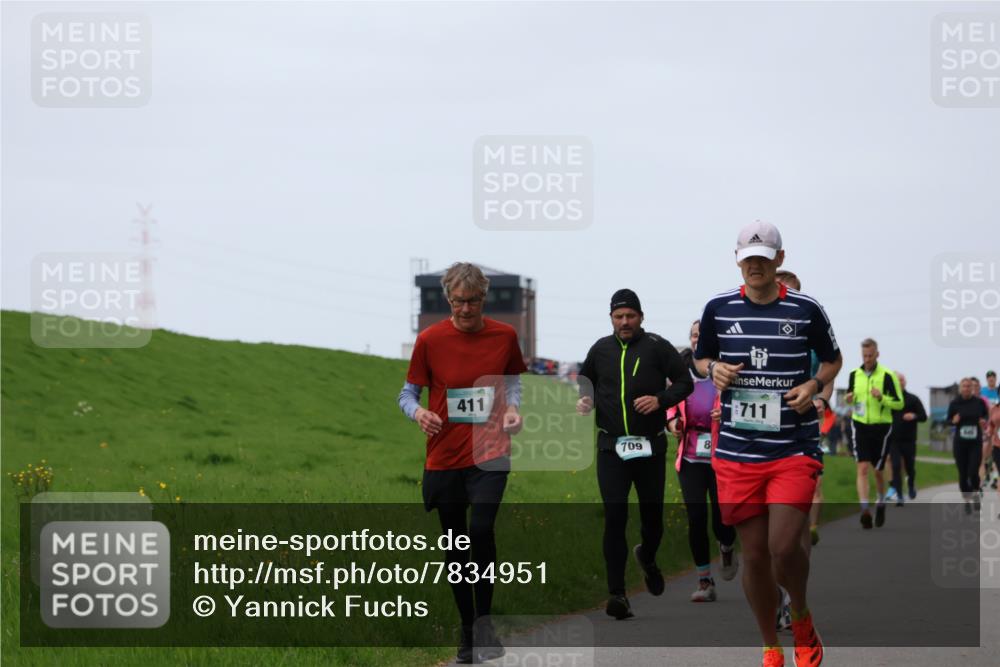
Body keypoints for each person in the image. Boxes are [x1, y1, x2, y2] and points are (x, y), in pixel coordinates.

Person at [695, 221, 842, 667]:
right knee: (755, 555)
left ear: (780, 260)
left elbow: (834, 359)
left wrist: (814, 385)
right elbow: (701, 356)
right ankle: (770, 645)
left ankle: (799, 612)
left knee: (783, 547)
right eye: (747, 259)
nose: (754, 266)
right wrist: (711, 368)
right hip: (738, 451)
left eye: (763, 258)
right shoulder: (718, 308)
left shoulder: (806, 309)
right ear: (737, 262)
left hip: (792, 447)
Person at [397, 262, 528, 663]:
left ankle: (485, 625)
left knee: (481, 529)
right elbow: (407, 394)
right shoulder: (429, 339)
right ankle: (467, 631)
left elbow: (512, 385)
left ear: (483, 299)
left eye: (472, 301)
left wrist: (514, 412)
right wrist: (417, 414)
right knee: (455, 546)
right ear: (447, 299)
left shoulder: (504, 336)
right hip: (445, 456)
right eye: (457, 302)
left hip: (489, 453)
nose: (465, 310)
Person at [577, 289, 692, 620]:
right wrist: (585, 401)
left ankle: (649, 556)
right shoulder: (600, 349)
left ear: (641, 317)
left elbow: (685, 383)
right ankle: (617, 595)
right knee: (615, 516)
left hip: (650, 446)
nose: (624, 322)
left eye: (630, 316)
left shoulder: (657, 346)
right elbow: (585, 382)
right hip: (611, 447)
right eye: (618, 316)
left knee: (652, 517)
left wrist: (660, 400)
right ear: (611, 319)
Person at [666, 320, 738, 602]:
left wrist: (727, 415)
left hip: (722, 455)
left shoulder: (727, 372)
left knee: (723, 518)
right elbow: (671, 405)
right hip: (691, 455)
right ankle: (705, 581)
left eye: (703, 336)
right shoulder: (681, 373)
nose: (698, 340)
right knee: (696, 518)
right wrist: (672, 423)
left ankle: (728, 545)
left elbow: (740, 404)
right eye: (695, 335)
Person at [775, 269, 835, 550]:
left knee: (808, 486)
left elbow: (829, 369)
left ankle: (808, 528)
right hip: (763, 430)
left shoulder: (810, 325)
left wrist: (820, 398)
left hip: (803, 423)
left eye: (793, 291)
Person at [845, 339, 904, 529]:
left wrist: (882, 397)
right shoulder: (854, 375)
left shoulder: (887, 376)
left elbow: (899, 403)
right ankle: (864, 510)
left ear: (877, 354)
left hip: (881, 427)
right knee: (862, 468)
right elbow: (850, 399)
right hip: (860, 424)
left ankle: (880, 502)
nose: (867, 359)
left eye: (870, 355)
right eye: (864, 356)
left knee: (878, 471)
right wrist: (848, 399)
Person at [947, 377, 990, 514]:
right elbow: (948, 421)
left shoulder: (979, 403)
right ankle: (966, 499)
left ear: (972, 388)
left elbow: (986, 417)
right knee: (963, 473)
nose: (966, 388)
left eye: (969, 386)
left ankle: (976, 492)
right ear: (960, 388)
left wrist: (984, 422)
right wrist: (953, 421)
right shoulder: (955, 403)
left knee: (973, 471)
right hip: (960, 443)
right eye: (964, 386)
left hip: (975, 443)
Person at [888, 373, 927, 504]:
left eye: (902, 380)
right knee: (896, 466)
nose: (900, 382)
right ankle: (899, 495)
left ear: (905, 382)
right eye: (897, 380)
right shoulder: (889, 400)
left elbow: (924, 416)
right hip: (894, 440)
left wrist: (914, 416)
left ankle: (910, 484)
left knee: (910, 467)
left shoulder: (913, 399)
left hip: (909, 440)